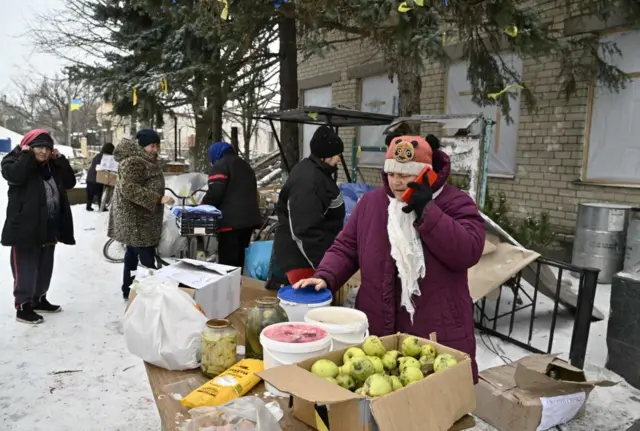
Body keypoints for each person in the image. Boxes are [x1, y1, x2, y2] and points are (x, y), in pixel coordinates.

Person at [293, 134, 485, 383]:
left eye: (406, 175)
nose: (397, 182)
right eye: (392, 174)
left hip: (433, 331)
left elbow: (468, 251)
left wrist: (427, 211)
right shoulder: (372, 204)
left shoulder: (455, 202)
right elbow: (347, 246)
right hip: (379, 331)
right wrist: (326, 275)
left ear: (427, 173)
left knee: (431, 410)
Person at [1, 129, 76, 324]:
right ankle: (23, 305)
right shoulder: (14, 160)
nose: (43, 152)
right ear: (28, 146)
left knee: (45, 266)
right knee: (26, 266)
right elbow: (15, 176)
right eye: (39, 147)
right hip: (25, 227)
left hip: (49, 225)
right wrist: (25, 155)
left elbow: (69, 182)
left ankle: (39, 298)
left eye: (47, 148)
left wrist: (60, 160)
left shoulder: (52, 165)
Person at [273, 125, 346, 285]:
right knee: (309, 307)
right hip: (303, 261)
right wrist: (323, 268)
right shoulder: (308, 182)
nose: (339, 159)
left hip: (314, 256)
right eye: (336, 154)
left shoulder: (318, 172)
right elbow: (305, 231)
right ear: (324, 155)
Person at [107, 129, 174, 300]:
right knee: (146, 258)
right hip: (137, 220)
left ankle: (128, 289)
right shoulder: (134, 162)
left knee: (132, 254)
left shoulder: (143, 160)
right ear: (142, 146)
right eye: (152, 146)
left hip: (141, 218)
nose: (155, 149)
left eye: (157, 146)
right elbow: (129, 189)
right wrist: (158, 199)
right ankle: (150, 293)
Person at [201, 141, 261, 268]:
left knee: (227, 263)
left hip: (230, 222)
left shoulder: (221, 165)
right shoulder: (244, 165)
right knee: (239, 260)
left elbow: (216, 192)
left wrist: (202, 206)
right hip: (248, 221)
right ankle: (238, 285)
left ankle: (229, 287)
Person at [85, 142, 115, 211]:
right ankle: (101, 207)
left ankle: (88, 206)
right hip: (97, 177)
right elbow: (106, 167)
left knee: (90, 193)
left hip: (90, 177)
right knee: (99, 192)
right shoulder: (106, 157)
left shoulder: (98, 155)